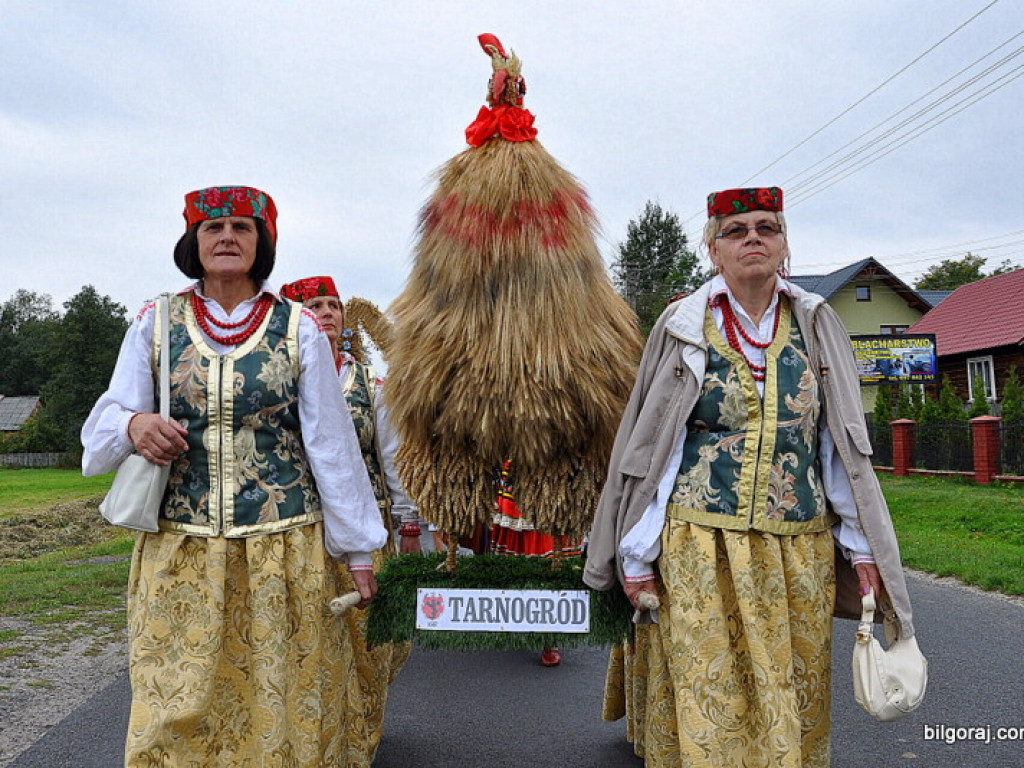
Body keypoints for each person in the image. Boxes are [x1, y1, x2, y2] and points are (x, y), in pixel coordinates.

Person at [584, 187, 918, 767]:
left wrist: (862, 549)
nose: (753, 239)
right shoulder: (684, 325)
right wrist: (635, 556)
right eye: (736, 231)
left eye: (767, 227)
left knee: (794, 683)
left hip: (799, 550)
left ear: (785, 245)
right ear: (713, 249)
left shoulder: (816, 322)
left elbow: (838, 447)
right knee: (710, 687)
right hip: (699, 546)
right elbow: (654, 447)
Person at [82, 186, 387, 766]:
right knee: (177, 702)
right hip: (181, 551)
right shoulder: (156, 321)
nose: (227, 237)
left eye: (242, 228)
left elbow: (331, 445)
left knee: (282, 699)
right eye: (212, 227)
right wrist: (135, 425)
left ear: (261, 242)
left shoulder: (296, 327)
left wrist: (359, 551)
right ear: (193, 243)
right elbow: (99, 434)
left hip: (283, 551)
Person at [281, 275, 416, 766]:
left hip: (365, 518)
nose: (326, 313)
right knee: (313, 635)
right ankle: (319, 734)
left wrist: (408, 523)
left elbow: (393, 457)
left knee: (369, 639)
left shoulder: (369, 385)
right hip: (303, 523)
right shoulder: (279, 380)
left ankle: (362, 727)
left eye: (332, 305)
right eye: (313, 305)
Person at [489, 461, 583, 666]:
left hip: (557, 475)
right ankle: (514, 615)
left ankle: (550, 637)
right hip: (518, 472)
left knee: (553, 561)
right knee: (513, 563)